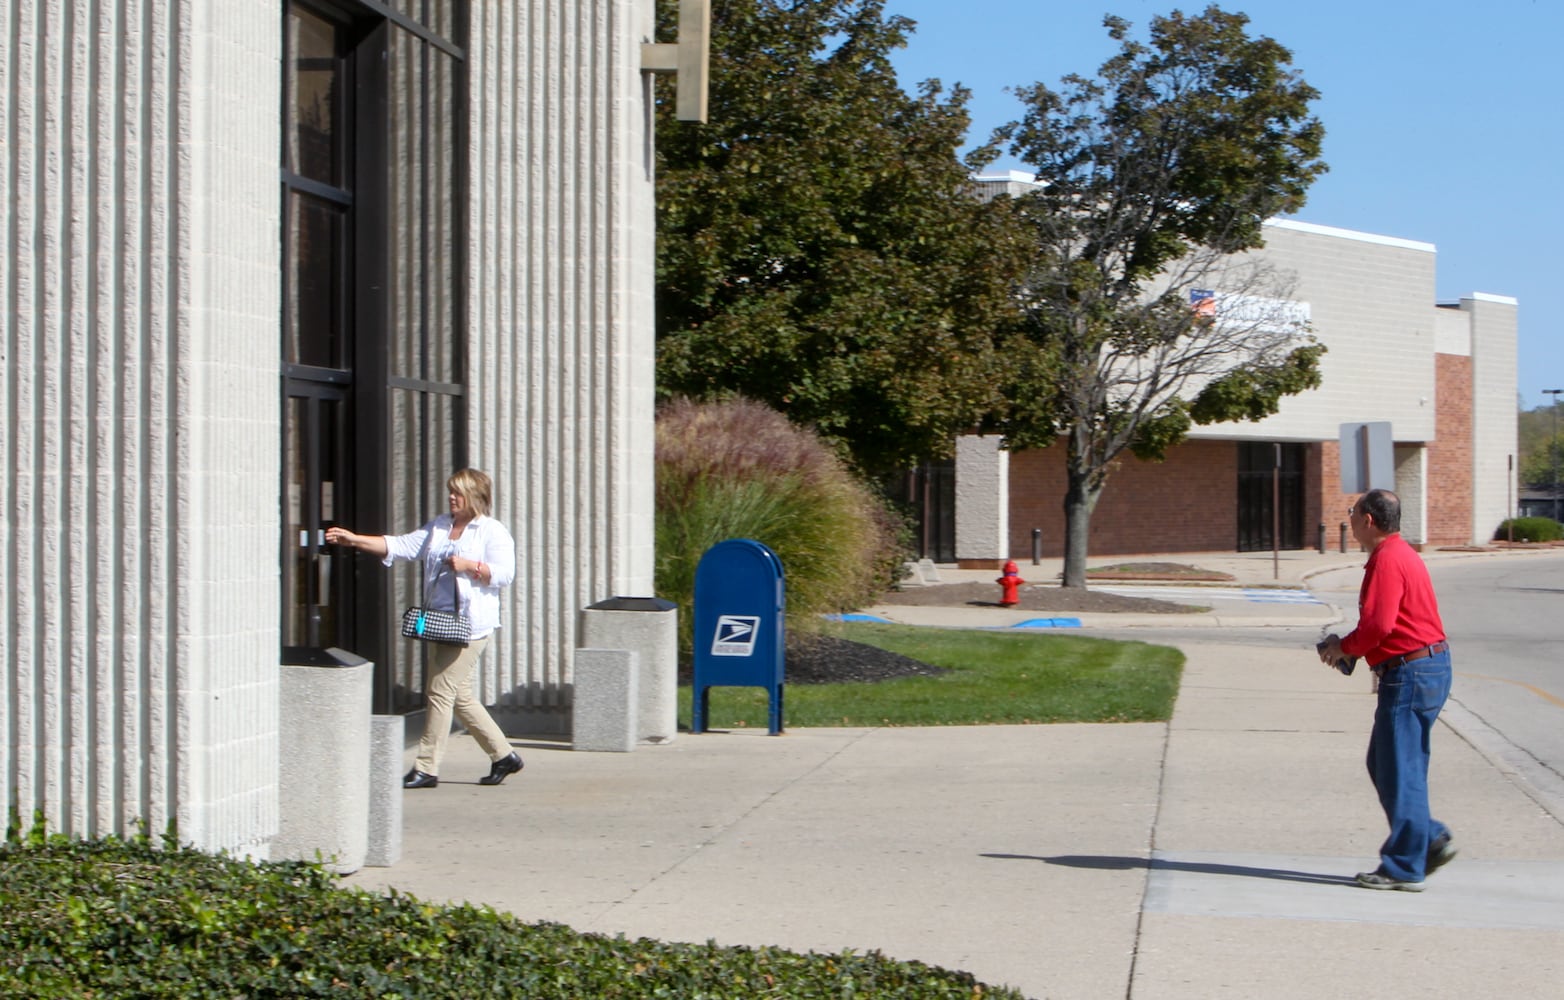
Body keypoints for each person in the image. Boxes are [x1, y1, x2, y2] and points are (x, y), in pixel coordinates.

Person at [326, 468, 524, 789]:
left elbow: (504, 574)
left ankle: (426, 767)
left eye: (458, 492)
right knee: (459, 697)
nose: (451, 497)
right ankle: (504, 756)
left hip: (471, 626)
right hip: (439, 622)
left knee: (439, 692)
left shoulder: (491, 531)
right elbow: (402, 545)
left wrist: (470, 566)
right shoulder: (440, 526)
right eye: (450, 491)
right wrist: (355, 540)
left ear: (475, 496)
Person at [1318, 488, 1457, 891]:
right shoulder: (1400, 554)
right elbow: (1386, 626)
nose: (1350, 518)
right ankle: (1427, 838)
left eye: (1353, 512)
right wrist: (1350, 648)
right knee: (1389, 765)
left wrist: (1343, 648)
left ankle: (1404, 866)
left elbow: (1379, 625)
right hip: (1423, 667)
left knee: (1398, 769)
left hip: (1411, 672)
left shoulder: (1388, 560)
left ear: (1369, 521)